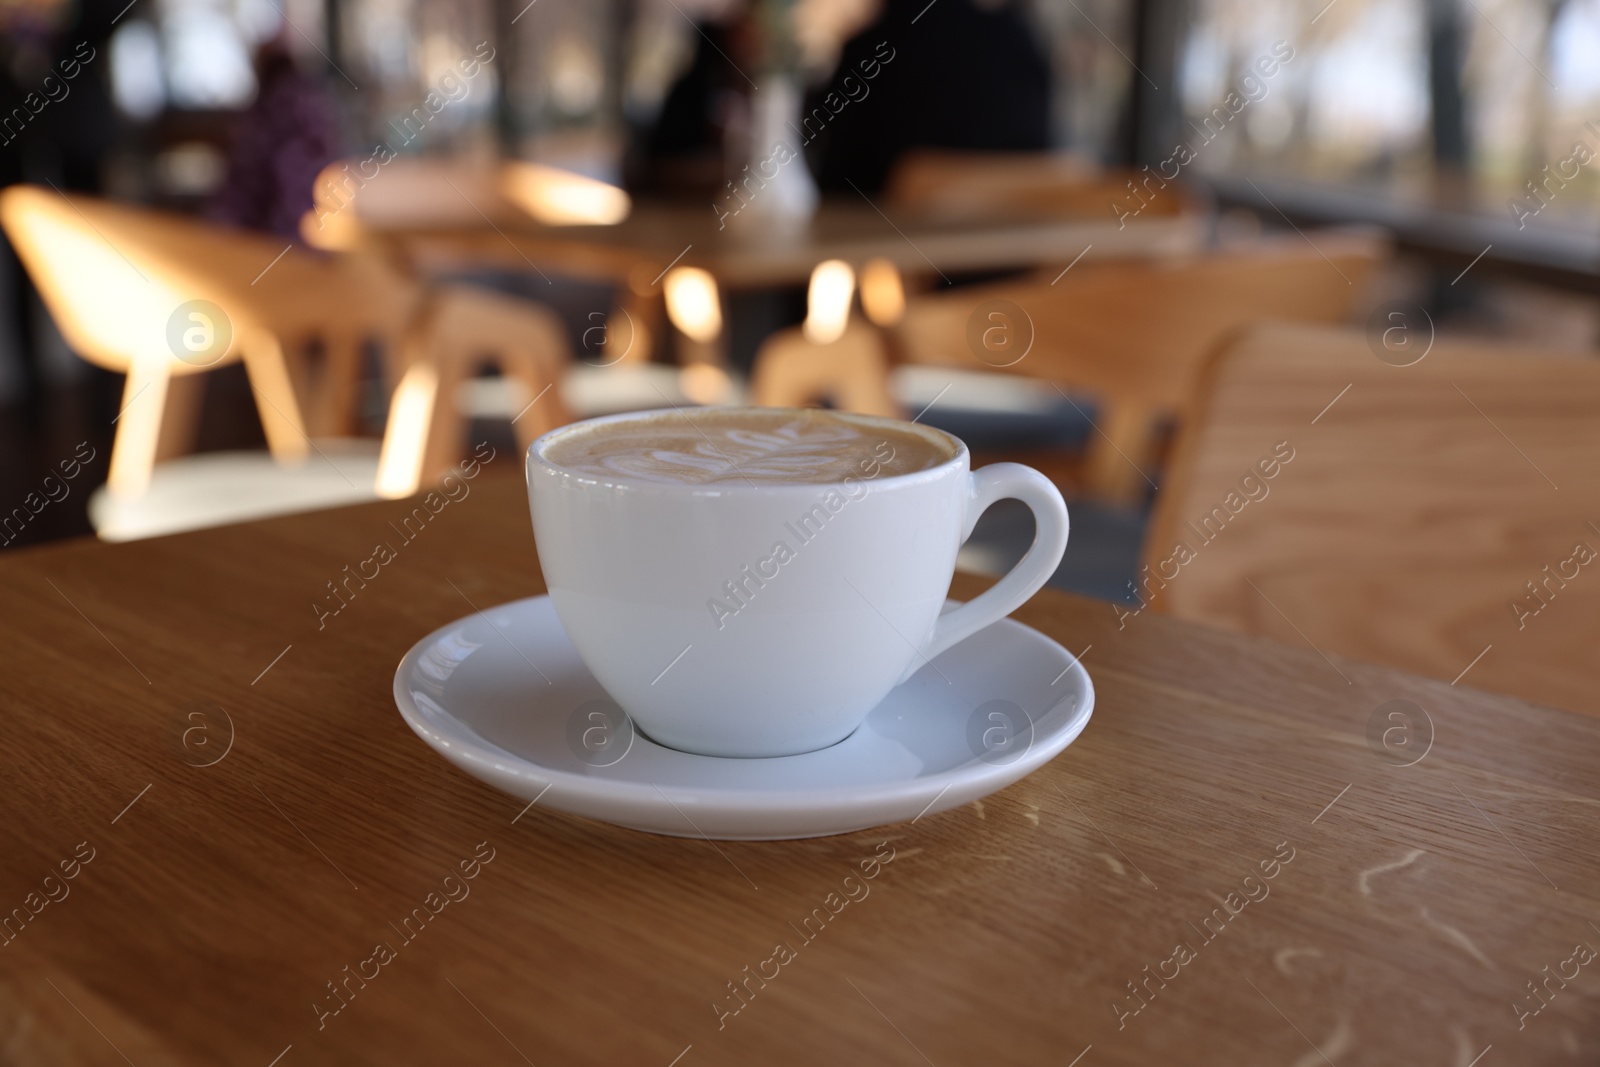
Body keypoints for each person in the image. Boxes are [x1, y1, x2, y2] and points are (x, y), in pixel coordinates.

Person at [806, 0, 1052, 194]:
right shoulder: (1019, 43)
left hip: (889, 248)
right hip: (1016, 247)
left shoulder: (871, 51)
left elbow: (835, 183)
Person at [208, 37, 341, 239]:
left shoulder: (264, 113)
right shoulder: (314, 103)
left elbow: (247, 181)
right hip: (317, 225)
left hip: (274, 234)